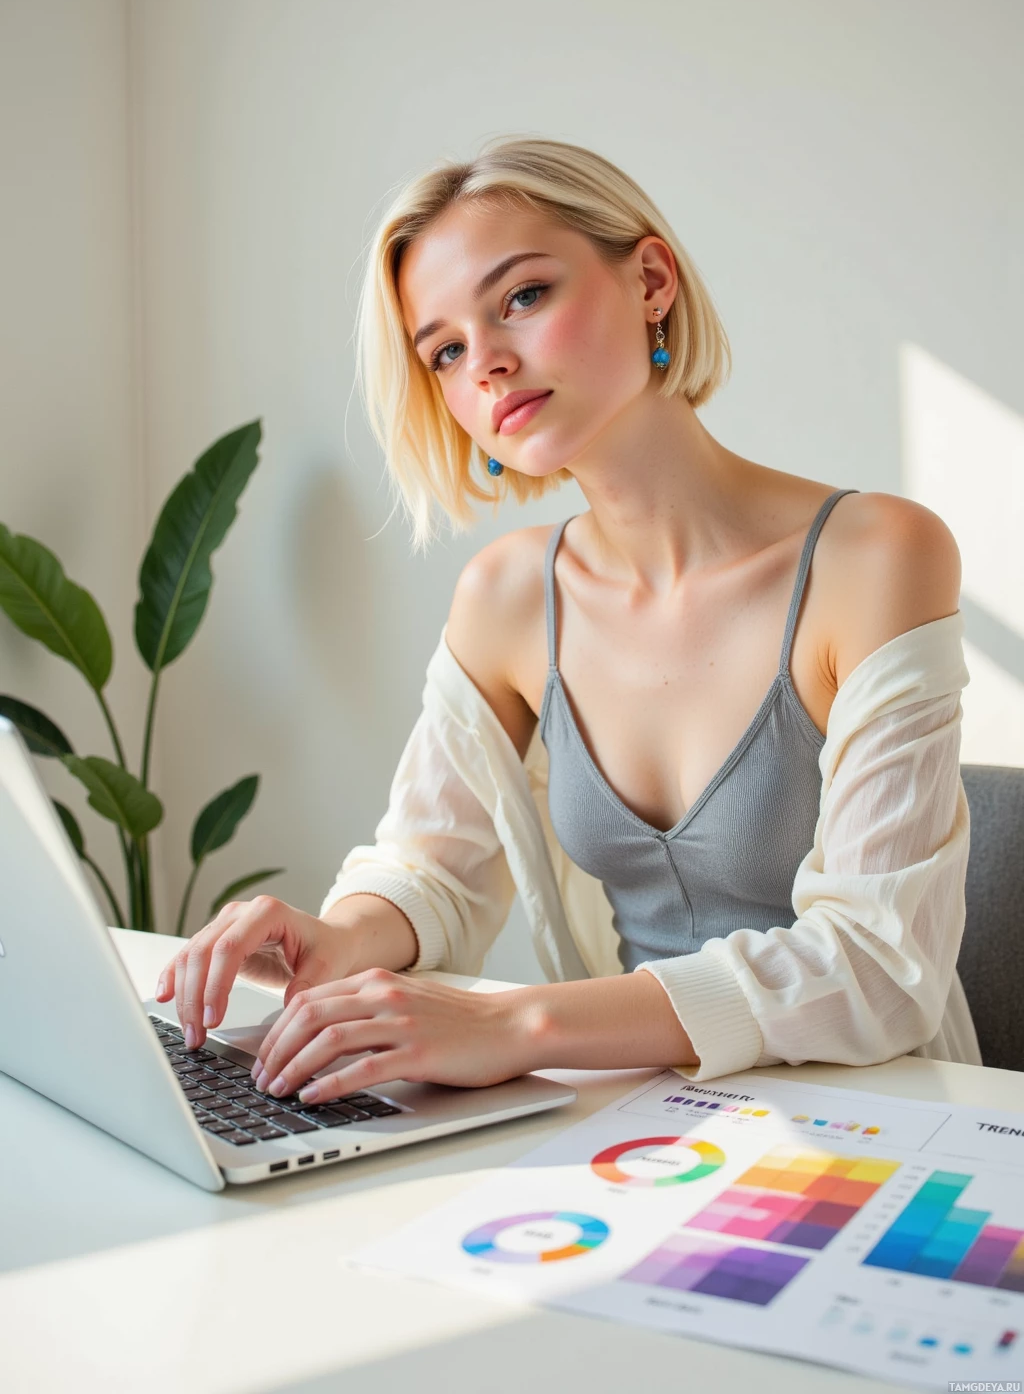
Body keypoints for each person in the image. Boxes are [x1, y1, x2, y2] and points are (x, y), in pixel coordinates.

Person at [156, 136, 982, 1109]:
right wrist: (339, 938)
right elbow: (435, 866)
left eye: (522, 297)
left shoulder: (875, 558)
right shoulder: (506, 598)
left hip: (895, 1116)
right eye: (446, 352)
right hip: (639, 1115)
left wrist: (515, 1026)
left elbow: (877, 970)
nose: (489, 365)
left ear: (650, 281)